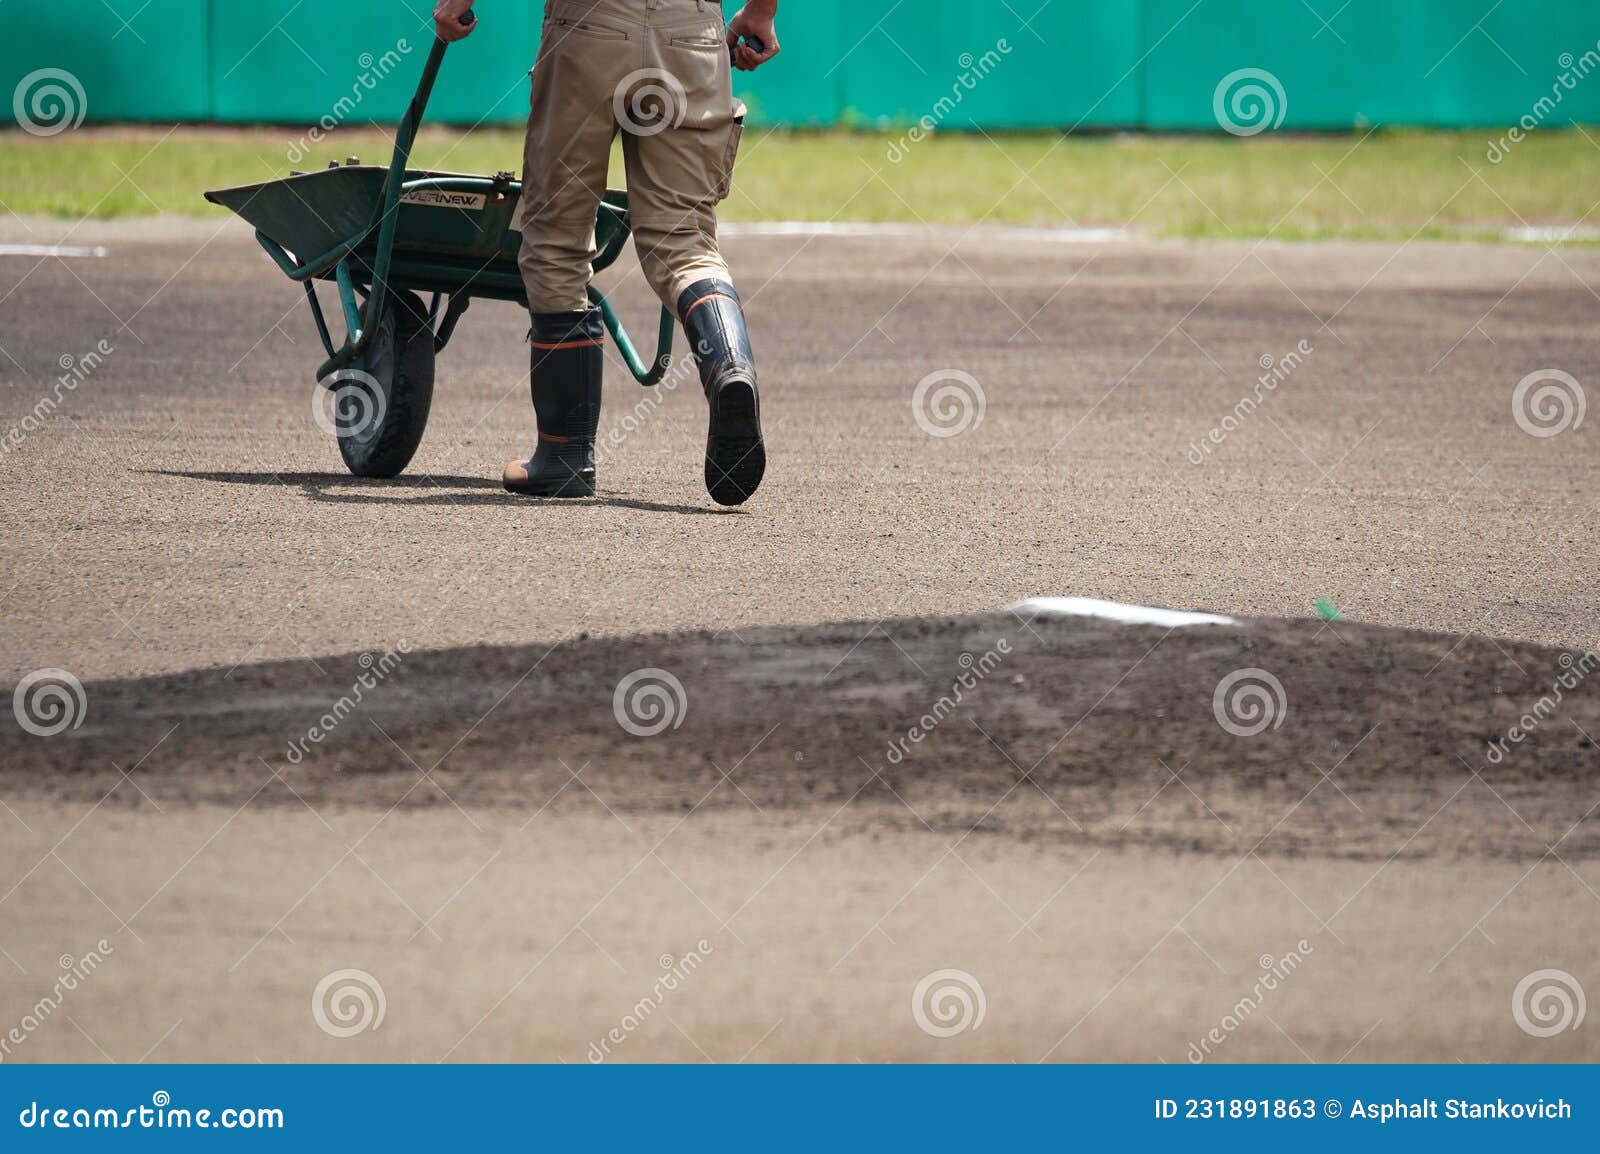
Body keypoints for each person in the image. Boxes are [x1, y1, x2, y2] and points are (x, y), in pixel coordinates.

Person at [432, 0, 780, 506]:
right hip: (690, 33)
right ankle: (729, 366)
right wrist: (762, 11)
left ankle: (565, 456)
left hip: (589, 28)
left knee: (556, 239)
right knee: (685, 244)